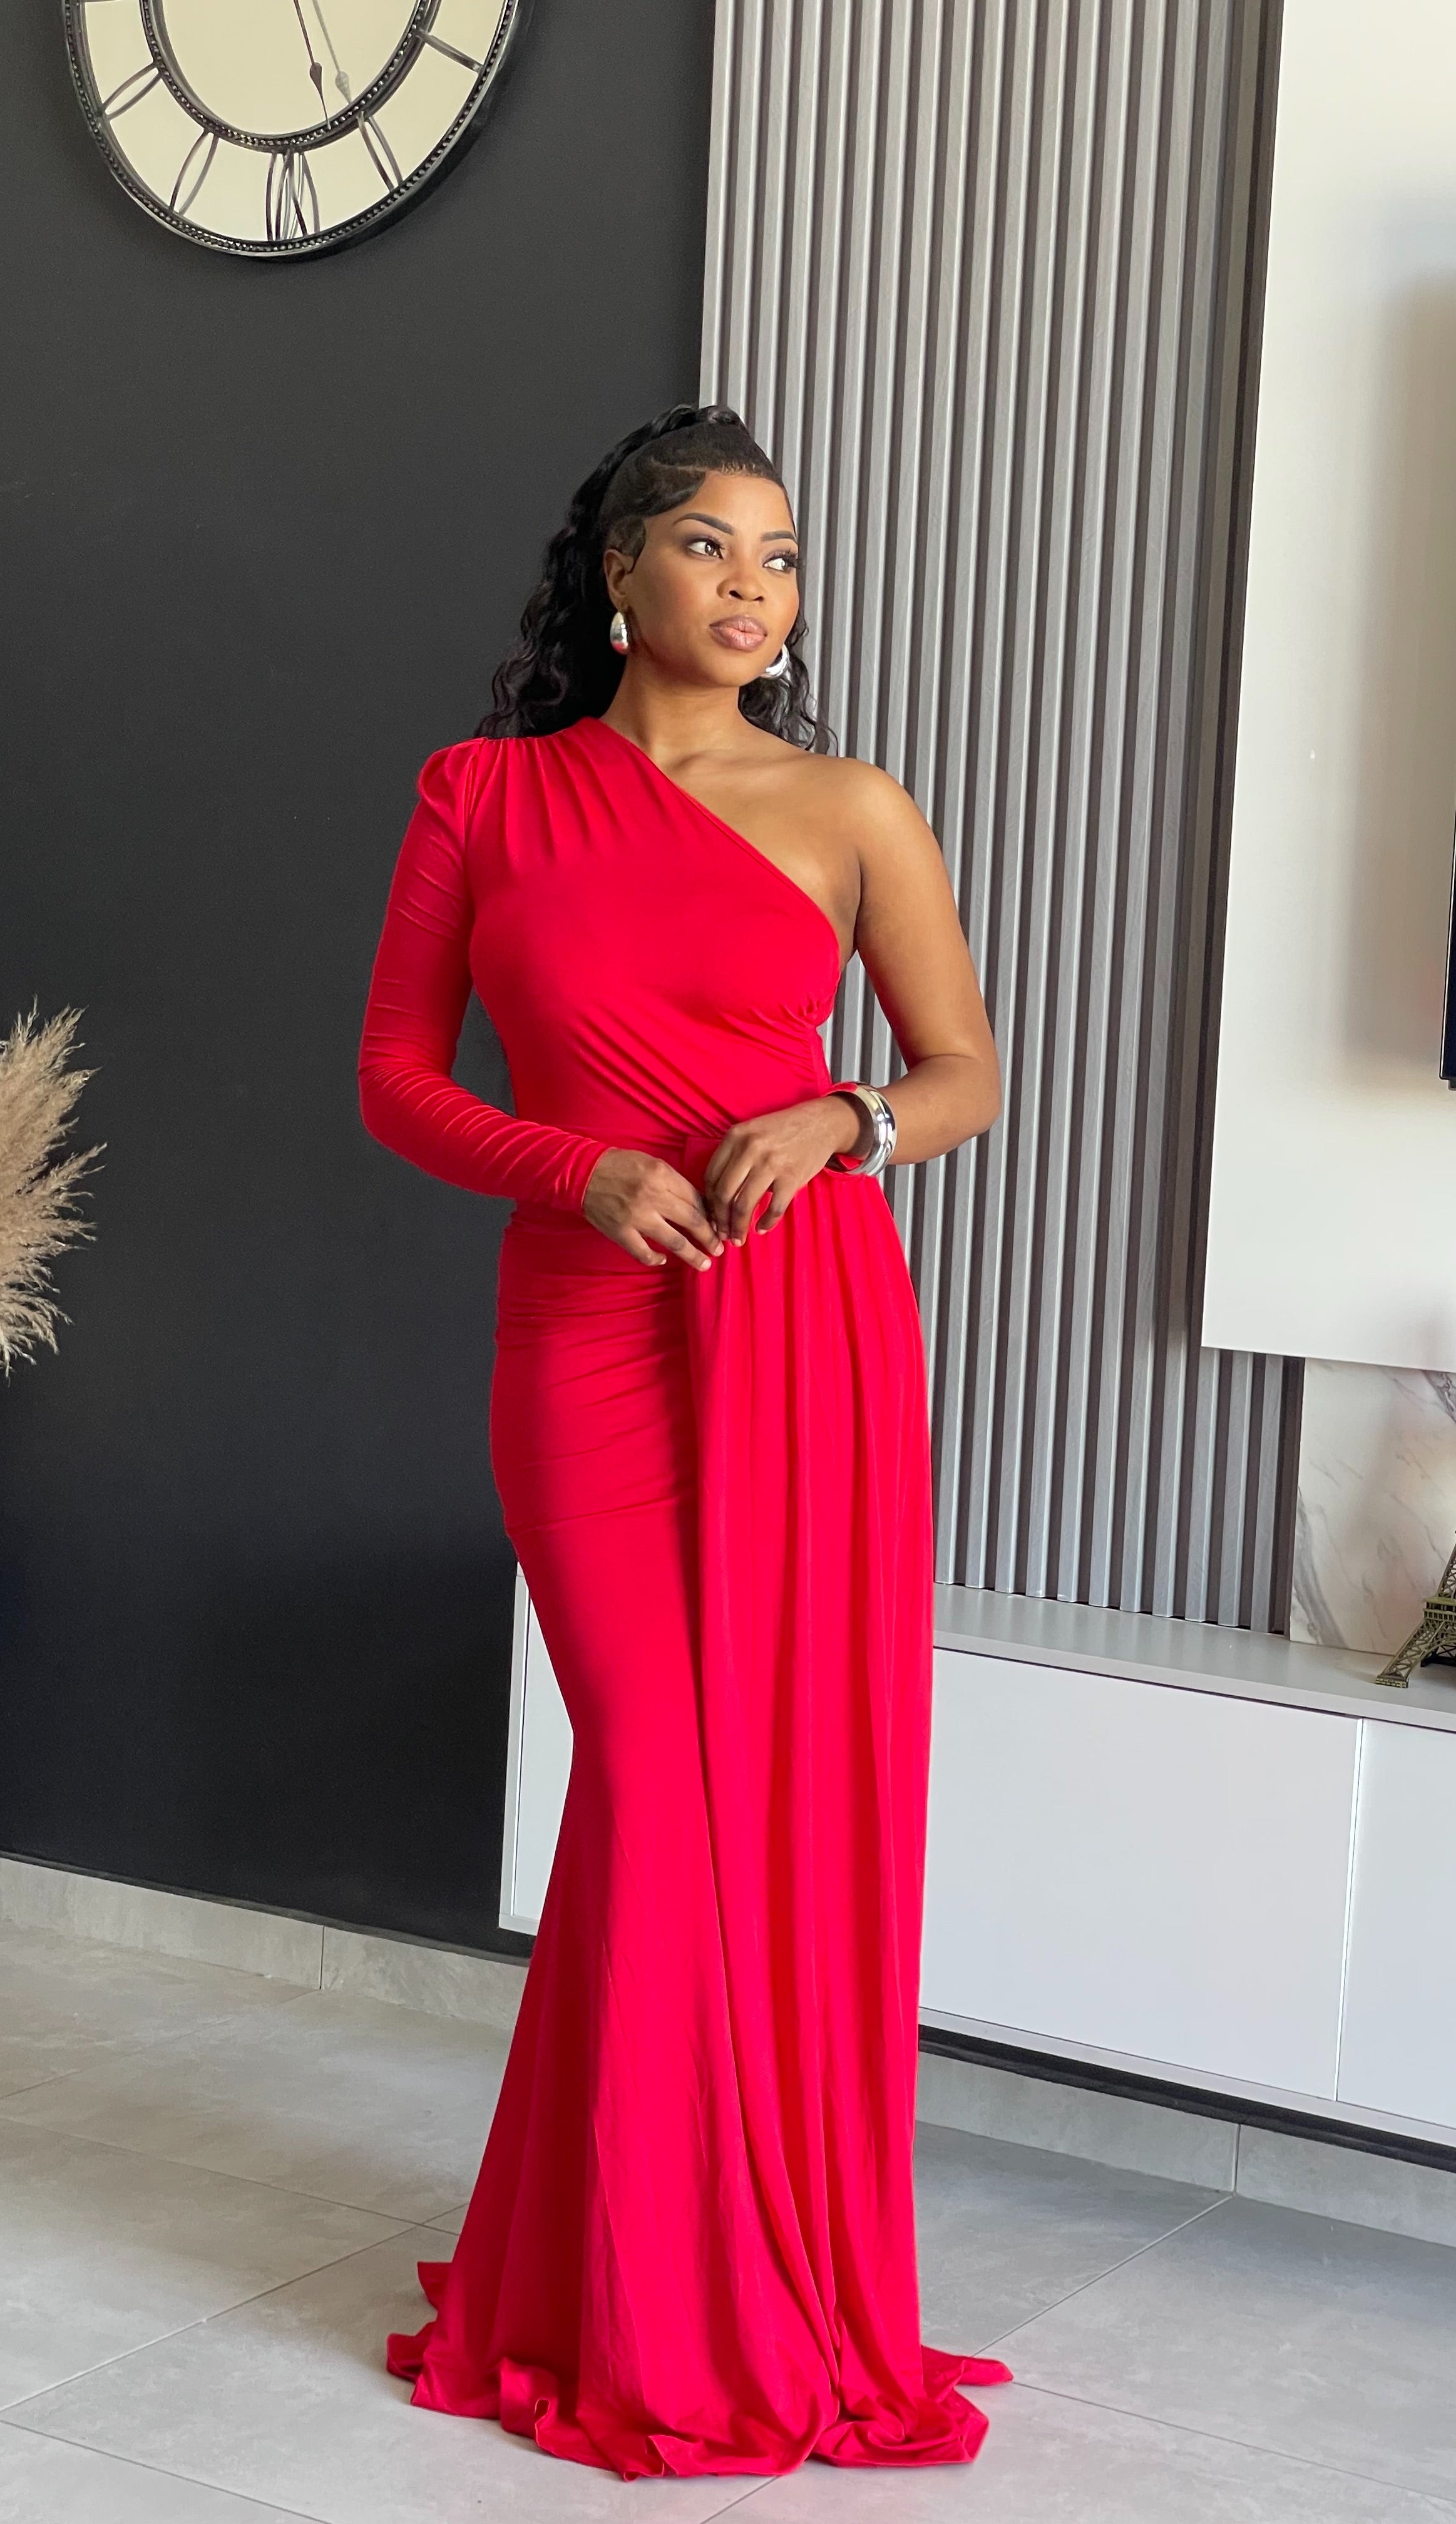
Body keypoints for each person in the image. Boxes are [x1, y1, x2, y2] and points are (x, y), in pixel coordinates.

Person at [356, 403, 1008, 2479]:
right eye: (713, 547)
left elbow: (965, 1066)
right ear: (619, 570)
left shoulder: (850, 808)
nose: (754, 589)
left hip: (800, 1323)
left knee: (762, 1799)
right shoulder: (486, 792)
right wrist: (572, 1172)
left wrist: (846, 1120)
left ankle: (689, 2265)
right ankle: (648, 2291)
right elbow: (392, 1076)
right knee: (651, 1780)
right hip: (583, 1326)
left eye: (784, 559)